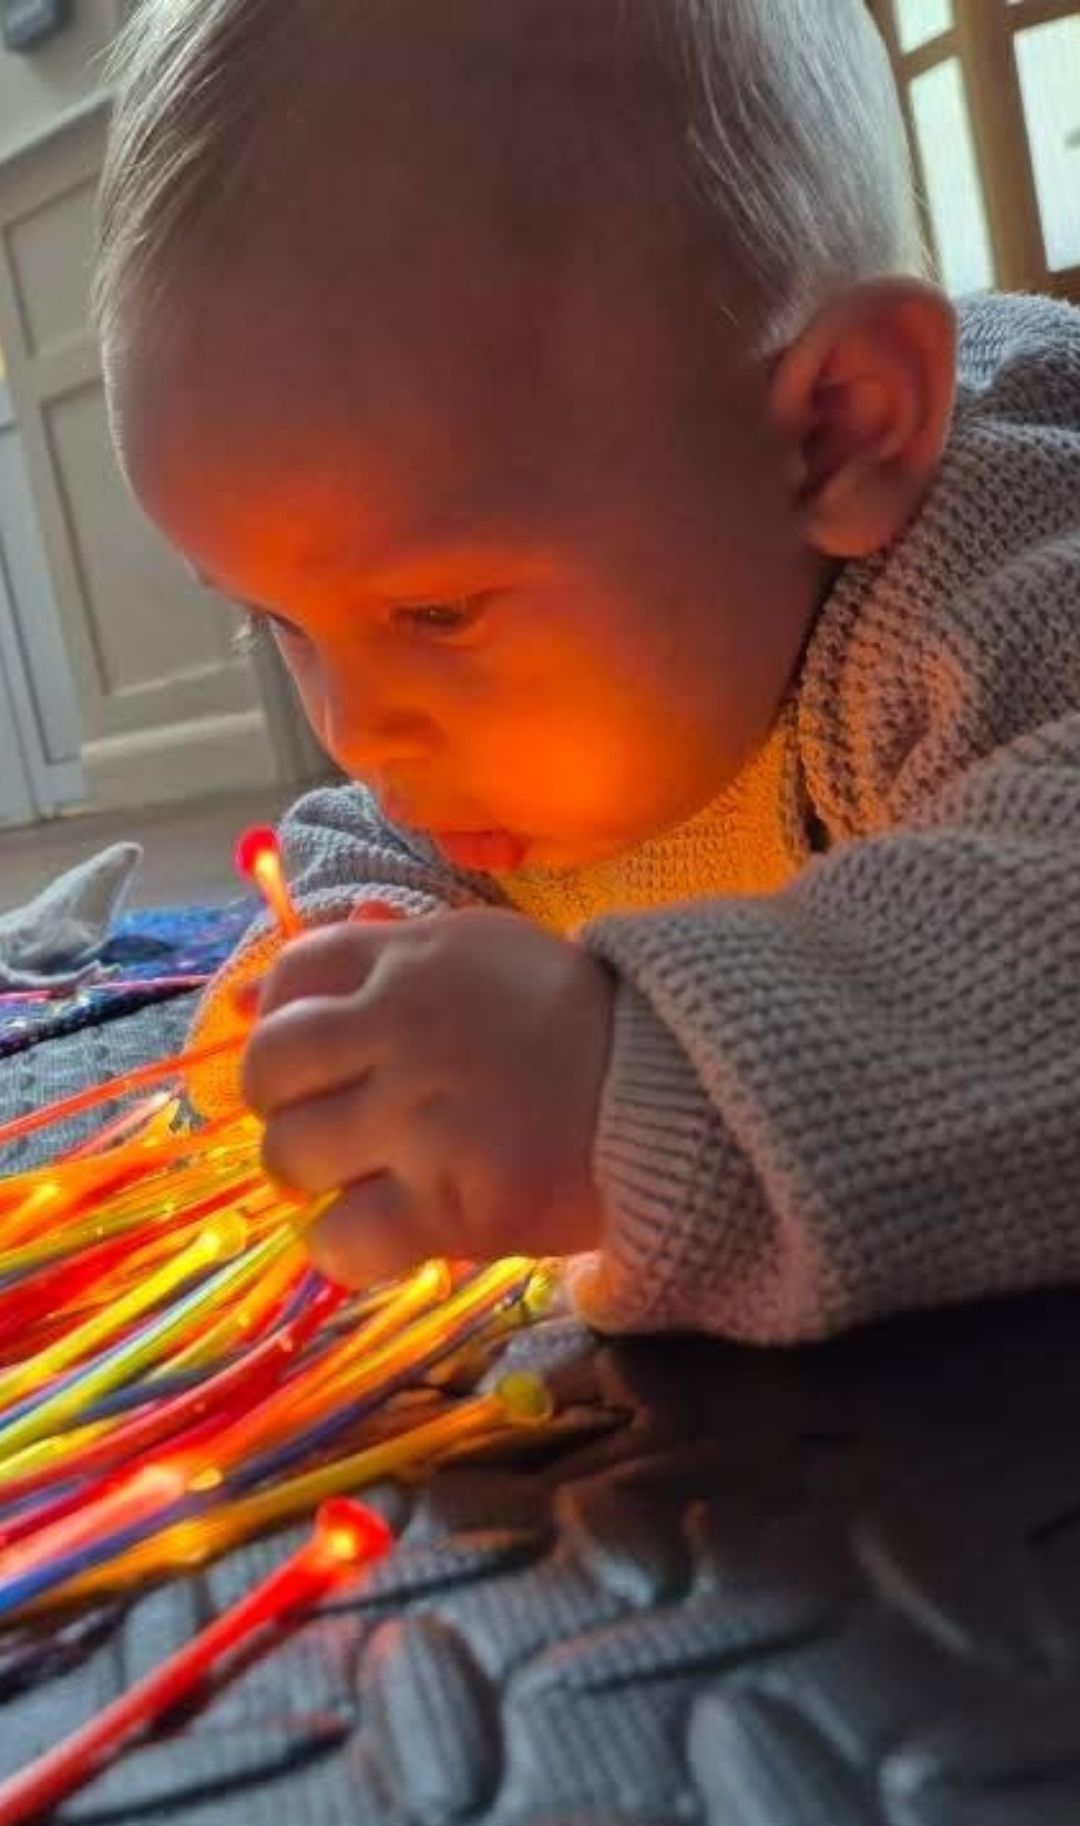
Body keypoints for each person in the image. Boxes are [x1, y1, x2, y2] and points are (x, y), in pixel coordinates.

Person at [95, 0, 1080, 1344]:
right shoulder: (514, 725)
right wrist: (358, 970)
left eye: (437, 611)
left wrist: (634, 1081)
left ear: (834, 435)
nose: (359, 729)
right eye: (282, 623)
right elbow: (375, 845)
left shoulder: (993, 578)